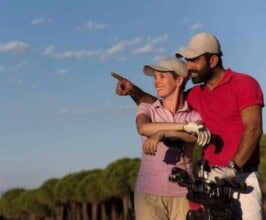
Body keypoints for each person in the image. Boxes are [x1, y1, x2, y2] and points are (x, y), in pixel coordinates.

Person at [112, 32, 264, 219]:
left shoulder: (244, 83)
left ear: (213, 60)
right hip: (209, 181)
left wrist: (232, 169)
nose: (189, 67)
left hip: (242, 178)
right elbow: (162, 105)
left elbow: (254, 128)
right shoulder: (195, 95)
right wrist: (133, 91)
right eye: (187, 61)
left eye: (194, 61)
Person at [132, 58, 210, 220]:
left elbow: (195, 136)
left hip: (184, 195)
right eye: (155, 77)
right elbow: (143, 128)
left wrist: (163, 133)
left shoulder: (194, 115)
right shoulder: (147, 108)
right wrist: (182, 126)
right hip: (148, 195)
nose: (156, 82)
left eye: (162, 77)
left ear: (179, 80)